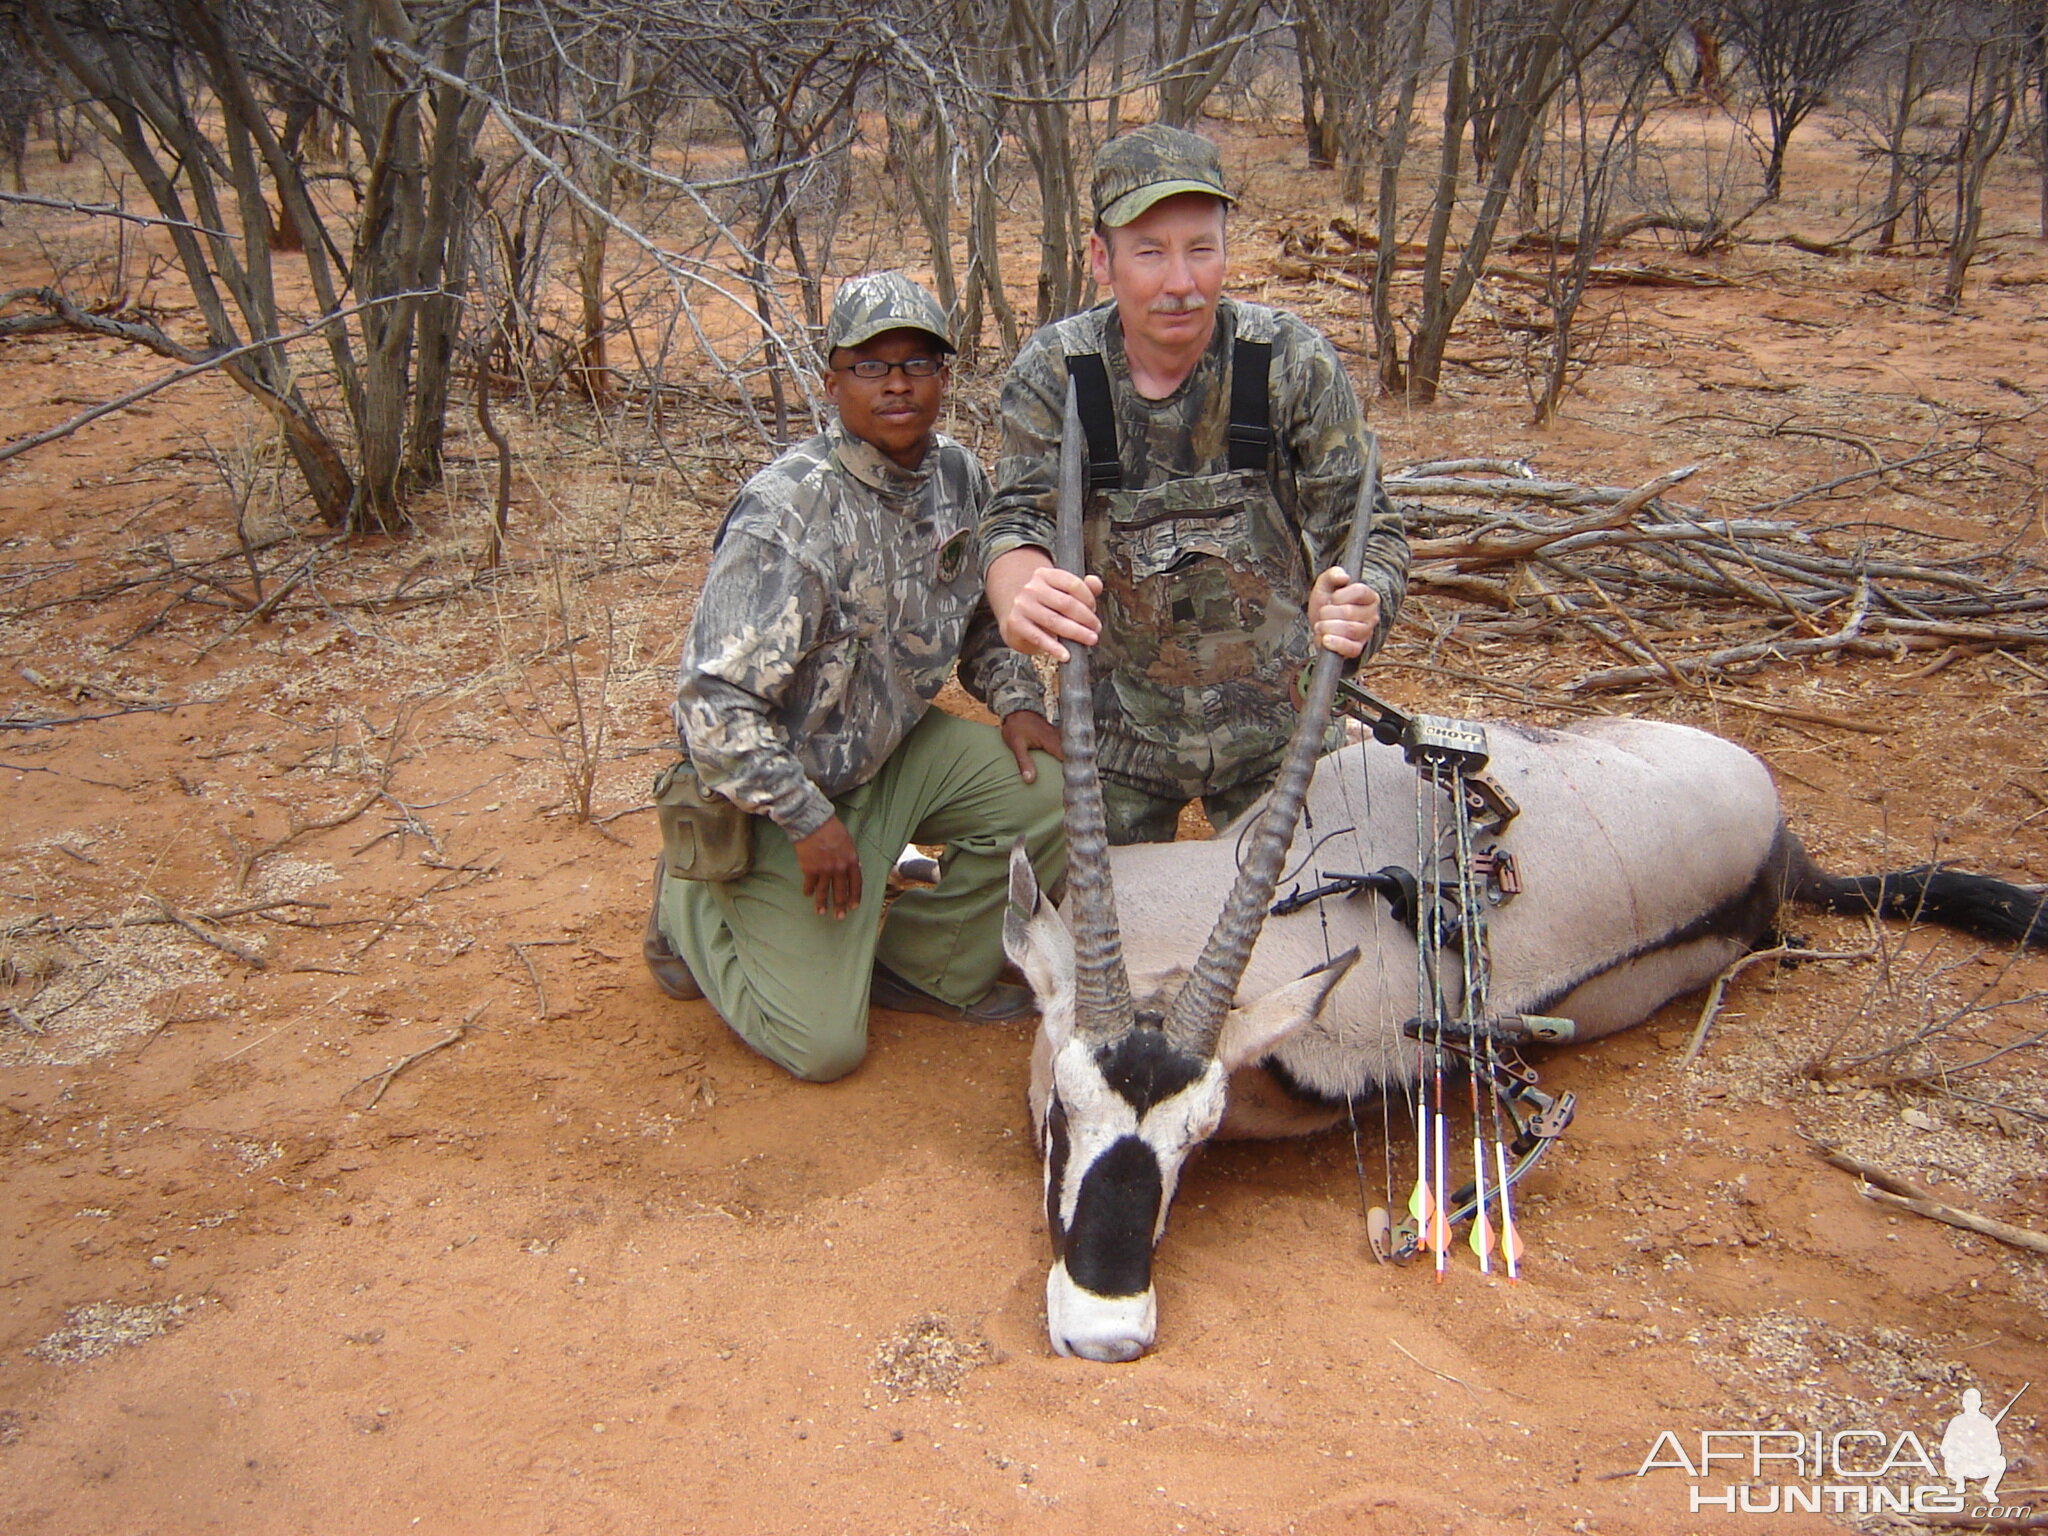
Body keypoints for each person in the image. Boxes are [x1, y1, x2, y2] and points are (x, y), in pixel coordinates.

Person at [644, 272, 1067, 1082]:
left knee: (1049, 791)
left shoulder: (958, 478)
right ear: (833, 380)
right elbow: (711, 705)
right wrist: (806, 819)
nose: (898, 382)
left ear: (945, 376)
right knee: (824, 1048)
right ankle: (688, 900)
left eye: (917, 361)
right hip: (780, 788)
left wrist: (1016, 700)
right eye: (871, 366)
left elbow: (981, 618)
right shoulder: (786, 513)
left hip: (888, 752)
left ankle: (918, 965)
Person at [981, 123, 1409, 843]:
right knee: (1067, 921)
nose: (1181, 283)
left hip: (1281, 736)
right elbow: (1013, 522)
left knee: (1338, 904)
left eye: (1201, 249)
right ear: (1100, 259)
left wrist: (1361, 601)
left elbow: (1371, 531)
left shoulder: (1289, 361)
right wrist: (1019, 586)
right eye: (1149, 253)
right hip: (1114, 749)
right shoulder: (1055, 372)